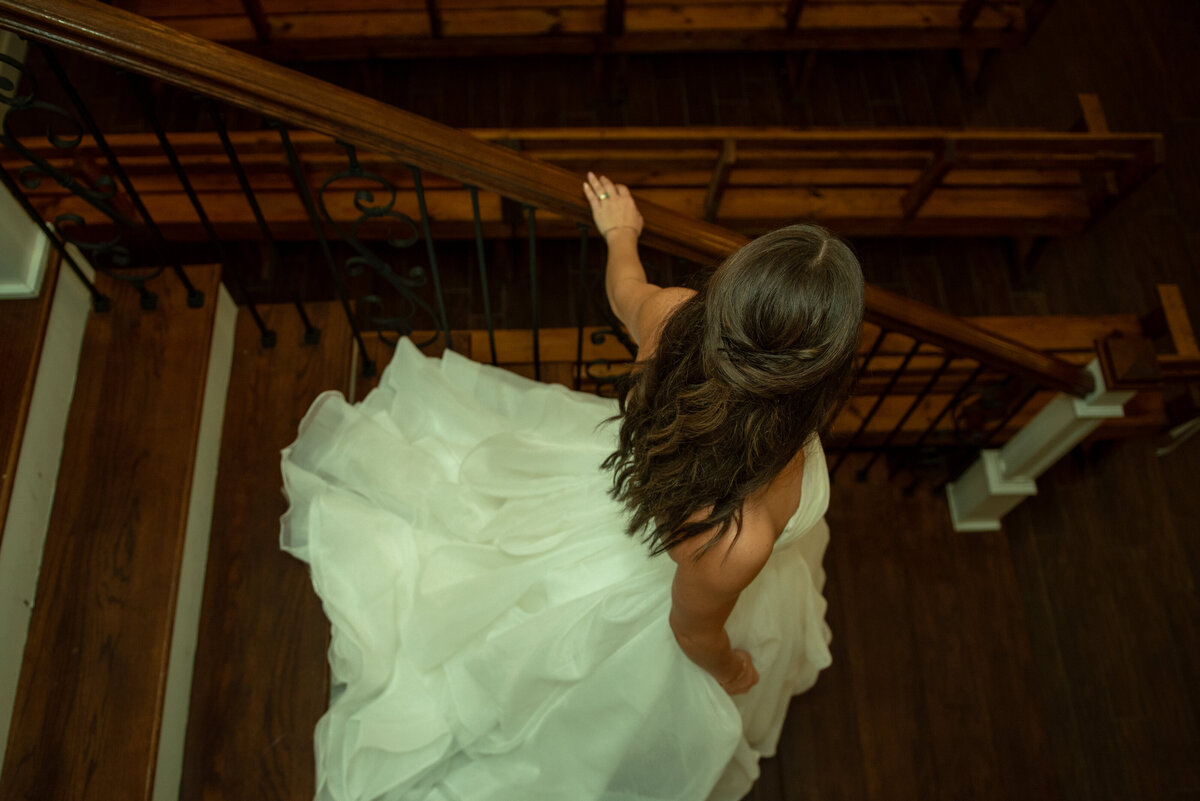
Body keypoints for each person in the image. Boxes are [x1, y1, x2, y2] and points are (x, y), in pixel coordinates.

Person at [280, 173, 865, 801]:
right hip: (673, 600)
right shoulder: (737, 535)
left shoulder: (671, 320)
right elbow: (693, 633)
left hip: (645, 508)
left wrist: (620, 234)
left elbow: (624, 292)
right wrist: (731, 667)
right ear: (819, 373)